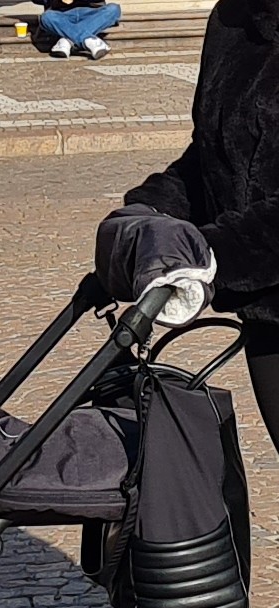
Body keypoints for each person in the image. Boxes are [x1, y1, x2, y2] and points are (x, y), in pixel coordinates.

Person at [121, 0, 279, 453]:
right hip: (268, 317)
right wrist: (151, 211)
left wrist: (212, 252)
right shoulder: (233, 19)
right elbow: (214, 153)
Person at [39, 0, 121, 60]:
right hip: (63, 14)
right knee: (46, 17)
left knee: (113, 9)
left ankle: (68, 39)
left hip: (91, 13)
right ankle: (89, 40)